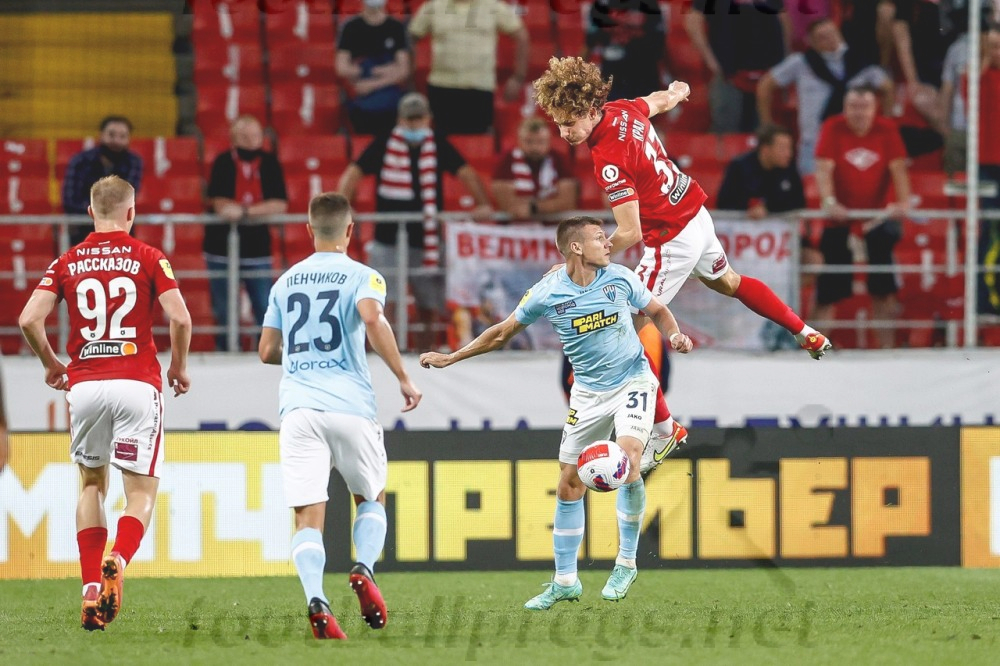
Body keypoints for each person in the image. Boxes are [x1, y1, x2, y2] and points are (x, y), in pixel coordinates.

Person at [533, 57, 832, 471]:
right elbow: (656, 102)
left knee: (619, 331)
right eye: (558, 125)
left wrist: (577, 263)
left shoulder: (608, 157)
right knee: (728, 281)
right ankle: (805, 332)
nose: (565, 133)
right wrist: (677, 92)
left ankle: (665, 429)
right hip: (694, 214)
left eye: (569, 123)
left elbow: (630, 232)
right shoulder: (622, 109)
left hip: (671, 239)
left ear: (588, 110)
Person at [420, 216, 693, 609]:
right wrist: (452, 357)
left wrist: (674, 334)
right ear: (576, 247)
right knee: (568, 483)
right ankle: (565, 581)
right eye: (599, 238)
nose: (608, 243)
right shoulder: (547, 291)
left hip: (633, 379)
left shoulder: (620, 278)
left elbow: (658, 310)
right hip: (587, 393)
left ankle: (626, 563)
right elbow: (502, 332)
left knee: (630, 459)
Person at [18, 175, 191, 631]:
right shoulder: (149, 256)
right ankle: (119, 558)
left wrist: (52, 364)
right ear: (131, 213)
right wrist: (178, 367)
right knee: (141, 493)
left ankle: (91, 588)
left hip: (86, 387)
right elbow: (180, 318)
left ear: (90, 212)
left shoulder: (67, 260)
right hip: (136, 383)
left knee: (91, 485)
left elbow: (29, 319)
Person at [258, 192, 421, 640]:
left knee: (307, 518)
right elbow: (372, 317)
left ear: (308, 230)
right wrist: (403, 377)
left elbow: (267, 351)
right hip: (350, 406)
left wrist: (302, 355)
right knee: (370, 498)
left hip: (299, 410)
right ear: (351, 230)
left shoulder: (284, 282)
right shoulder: (364, 276)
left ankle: (316, 597)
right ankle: (364, 567)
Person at [337, 93, 492, 350]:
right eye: (409, 119)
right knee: (384, 302)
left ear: (428, 119)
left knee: (428, 304)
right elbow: (353, 172)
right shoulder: (384, 142)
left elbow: (466, 172)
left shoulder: (437, 143)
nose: (414, 124)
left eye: (418, 119)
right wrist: (344, 205)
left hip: (426, 240)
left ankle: (426, 354)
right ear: (400, 120)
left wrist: (482, 203)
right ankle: (386, 353)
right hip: (387, 238)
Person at [814, 86, 911, 349]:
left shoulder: (887, 129)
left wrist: (903, 202)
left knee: (883, 287)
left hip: (876, 219)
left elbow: (898, 168)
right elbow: (824, 168)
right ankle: (814, 349)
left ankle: (887, 352)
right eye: (854, 107)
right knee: (828, 289)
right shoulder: (833, 127)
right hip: (838, 219)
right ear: (845, 108)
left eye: (864, 107)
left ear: (875, 109)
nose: (859, 113)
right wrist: (829, 202)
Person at [757, 17, 893, 175]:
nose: (830, 39)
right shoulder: (801, 62)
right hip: (814, 143)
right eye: (823, 37)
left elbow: (887, 87)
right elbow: (765, 85)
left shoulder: (859, 61)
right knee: (812, 186)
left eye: (832, 33)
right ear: (812, 42)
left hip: (853, 142)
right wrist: (767, 124)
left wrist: (886, 121)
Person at [205, 115, 288, 351]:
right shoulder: (223, 162)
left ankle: (267, 352)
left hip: (257, 249)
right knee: (224, 310)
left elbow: (279, 204)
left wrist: (244, 212)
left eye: (255, 136)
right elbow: (219, 204)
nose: (251, 141)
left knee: (264, 306)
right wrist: (256, 211)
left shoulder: (270, 163)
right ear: (233, 139)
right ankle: (226, 352)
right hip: (220, 249)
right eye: (244, 136)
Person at [408, 0, 528, 135]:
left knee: (478, 141)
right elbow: (410, 37)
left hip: (480, 88)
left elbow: (521, 36)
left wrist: (518, 77)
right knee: (443, 140)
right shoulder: (434, 6)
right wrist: (409, 75)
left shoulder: (493, 6)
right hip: (442, 87)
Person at [684, 0, 790, 133]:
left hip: (766, 75)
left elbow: (784, 20)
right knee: (726, 129)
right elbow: (693, 21)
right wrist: (710, 60)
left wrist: (783, 60)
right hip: (728, 73)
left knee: (765, 133)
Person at [62, 116, 143, 246]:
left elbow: (126, 198)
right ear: (101, 135)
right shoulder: (79, 162)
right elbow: (71, 201)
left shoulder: (134, 162)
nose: (116, 141)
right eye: (111, 135)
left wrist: (98, 210)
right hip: (83, 235)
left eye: (122, 136)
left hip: (121, 236)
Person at [336, 0, 411, 135]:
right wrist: (370, 70)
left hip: (390, 99)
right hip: (361, 99)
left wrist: (372, 84)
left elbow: (403, 70)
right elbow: (341, 67)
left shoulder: (396, 27)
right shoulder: (350, 27)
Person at [491, 117, 577, 222]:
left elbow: (568, 203)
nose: (535, 147)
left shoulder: (560, 160)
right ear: (519, 141)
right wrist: (550, 205)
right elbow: (509, 205)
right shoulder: (506, 161)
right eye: (529, 142)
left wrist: (534, 207)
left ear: (549, 141)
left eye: (541, 142)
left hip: (552, 227)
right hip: (516, 227)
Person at [717, 124, 806, 217]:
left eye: (790, 148)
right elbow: (724, 203)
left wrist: (768, 208)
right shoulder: (739, 167)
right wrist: (750, 209)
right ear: (765, 149)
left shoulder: (790, 168)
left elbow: (799, 204)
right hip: (740, 224)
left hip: (780, 225)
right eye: (782, 148)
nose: (789, 153)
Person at [586, 0, 666, 102]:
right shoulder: (600, 5)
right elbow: (591, 41)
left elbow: (659, 44)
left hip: (644, 70)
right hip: (613, 74)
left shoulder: (649, 4)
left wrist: (670, 76)